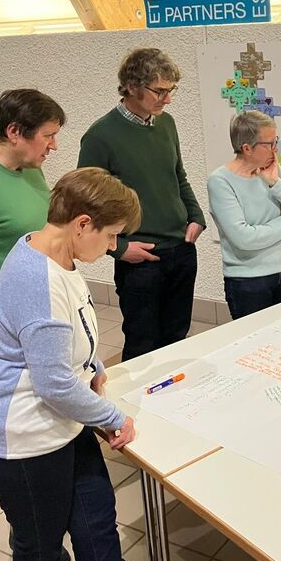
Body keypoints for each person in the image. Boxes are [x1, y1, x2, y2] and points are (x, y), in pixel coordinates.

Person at [0, 167, 155, 561]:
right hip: (23, 441)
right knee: (39, 550)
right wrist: (113, 417)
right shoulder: (37, 278)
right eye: (111, 235)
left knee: (97, 529)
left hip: (62, 425)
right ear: (82, 224)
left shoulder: (58, 256)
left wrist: (92, 367)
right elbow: (53, 383)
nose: (112, 246)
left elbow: (70, 336)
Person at [78, 47, 207, 361]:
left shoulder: (167, 124)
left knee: (177, 339)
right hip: (140, 259)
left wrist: (195, 215)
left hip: (181, 249)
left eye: (171, 90)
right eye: (159, 91)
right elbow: (84, 205)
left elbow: (178, 175)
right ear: (131, 86)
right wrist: (119, 249)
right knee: (142, 346)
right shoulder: (100, 136)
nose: (168, 99)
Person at [0, 88, 65, 356]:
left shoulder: (29, 167)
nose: (54, 145)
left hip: (35, 315)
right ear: (14, 132)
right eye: (48, 136)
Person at [207, 110, 281, 319]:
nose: (275, 149)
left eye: (276, 141)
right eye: (269, 144)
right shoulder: (220, 181)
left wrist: (275, 183)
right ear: (247, 148)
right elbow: (244, 238)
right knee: (256, 338)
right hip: (249, 281)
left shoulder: (271, 170)